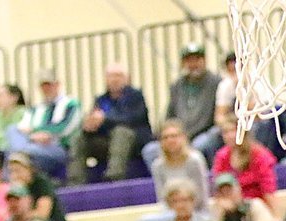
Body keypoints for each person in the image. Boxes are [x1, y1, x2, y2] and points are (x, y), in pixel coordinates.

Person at [67, 63, 151, 185]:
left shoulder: (136, 96)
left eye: (118, 75)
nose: (114, 79)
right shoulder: (101, 100)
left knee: (121, 131)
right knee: (78, 137)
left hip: (134, 142)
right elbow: (98, 122)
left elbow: (132, 119)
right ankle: (75, 181)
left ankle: (114, 177)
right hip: (108, 142)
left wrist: (105, 119)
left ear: (127, 78)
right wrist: (89, 126)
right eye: (111, 76)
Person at [141, 43, 222, 171]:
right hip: (179, 135)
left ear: (204, 61)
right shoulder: (177, 86)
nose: (193, 64)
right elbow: (170, 116)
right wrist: (168, 135)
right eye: (189, 60)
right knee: (150, 150)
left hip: (204, 133)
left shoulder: (216, 83)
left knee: (200, 144)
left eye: (197, 59)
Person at [7, 71, 81, 177]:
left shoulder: (71, 104)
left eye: (49, 85)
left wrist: (43, 133)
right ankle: (20, 154)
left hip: (58, 147)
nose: (46, 89)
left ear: (57, 85)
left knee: (12, 153)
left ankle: (17, 161)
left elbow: (66, 128)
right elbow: (22, 127)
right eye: (43, 86)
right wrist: (34, 135)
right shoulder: (36, 108)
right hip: (33, 147)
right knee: (12, 129)